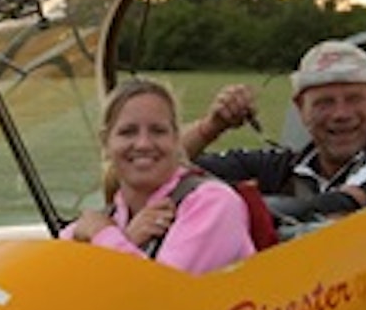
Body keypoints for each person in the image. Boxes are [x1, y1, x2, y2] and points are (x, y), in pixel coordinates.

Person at [181, 40, 366, 229]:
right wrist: (211, 127)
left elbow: (341, 204)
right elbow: (166, 166)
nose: (341, 114)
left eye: (353, 99)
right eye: (324, 103)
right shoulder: (288, 165)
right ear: (300, 109)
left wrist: (233, 208)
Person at [62, 77, 256, 273]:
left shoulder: (215, 203)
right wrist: (126, 239)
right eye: (128, 132)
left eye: (158, 131)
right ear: (106, 143)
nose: (143, 144)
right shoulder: (104, 219)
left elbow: (164, 293)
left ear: (176, 139)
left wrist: (103, 234)